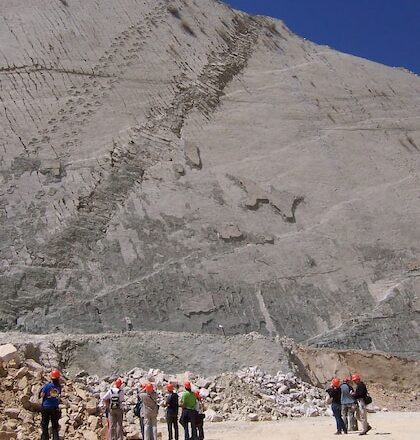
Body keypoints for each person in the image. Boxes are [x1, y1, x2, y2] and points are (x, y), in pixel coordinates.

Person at [39, 369, 62, 440]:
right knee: (55, 426)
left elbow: (42, 395)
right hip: (54, 408)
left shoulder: (47, 386)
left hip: (46, 407)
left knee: (44, 425)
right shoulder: (59, 387)